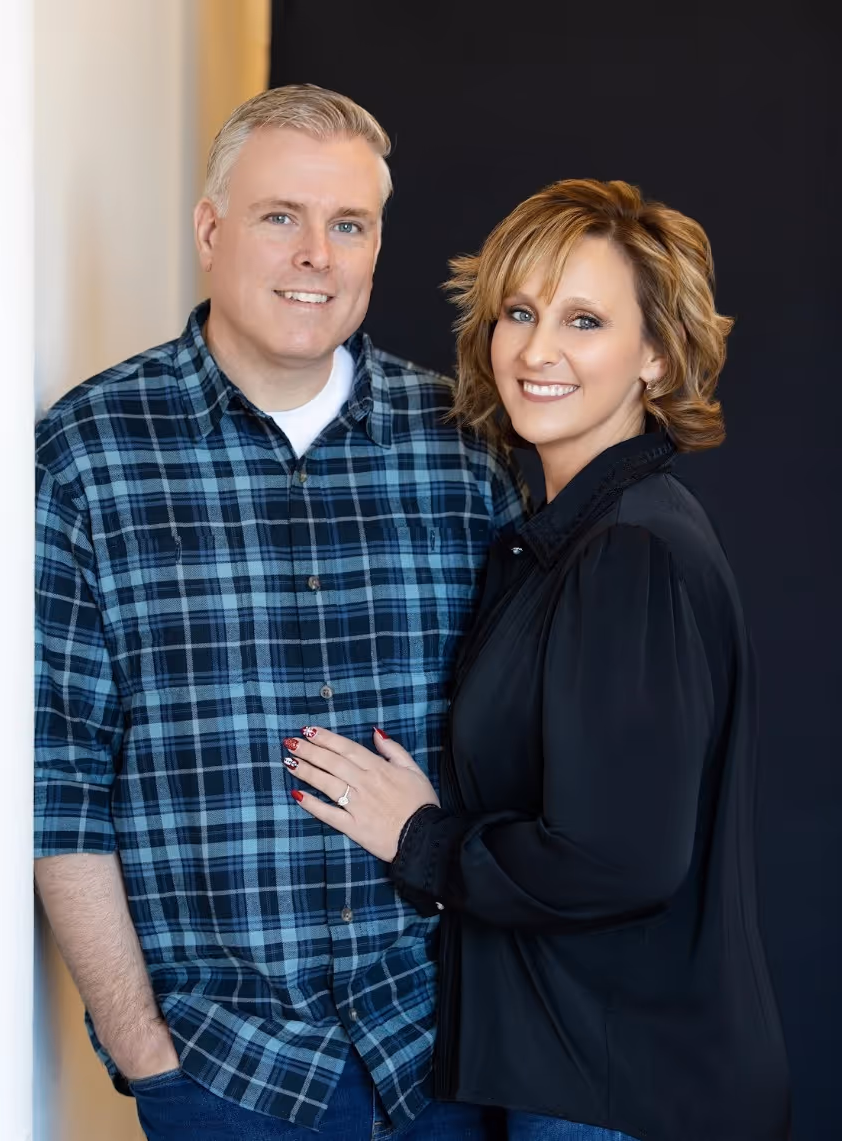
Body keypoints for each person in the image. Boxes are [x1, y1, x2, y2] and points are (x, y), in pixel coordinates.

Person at [34, 85, 528, 1141]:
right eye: (280, 216)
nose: (317, 255)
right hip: (224, 1072)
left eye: (348, 224)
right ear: (211, 230)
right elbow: (57, 778)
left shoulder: (464, 451)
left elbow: (528, 749)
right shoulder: (90, 455)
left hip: (446, 1048)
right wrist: (144, 1050)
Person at [282, 179, 792, 1141]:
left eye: (583, 320)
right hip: (588, 1078)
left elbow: (618, 859)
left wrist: (421, 839)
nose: (536, 350)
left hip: (623, 1094)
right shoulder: (569, 536)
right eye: (519, 312)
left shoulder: (628, 550)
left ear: (655, 354)